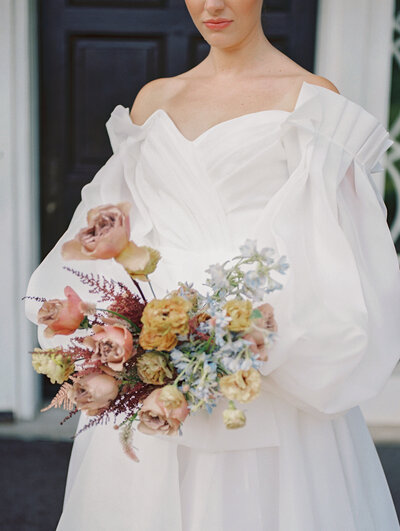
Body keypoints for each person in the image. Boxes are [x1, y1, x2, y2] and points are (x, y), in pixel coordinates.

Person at [24, 1, 400, 530]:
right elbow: (105, 229)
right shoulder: (154, 100)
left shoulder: (312, 100)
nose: (212, 5)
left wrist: (237, 335)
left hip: (260, 355)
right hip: (151, 359)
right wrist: (119, 332)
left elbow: (334, 246)